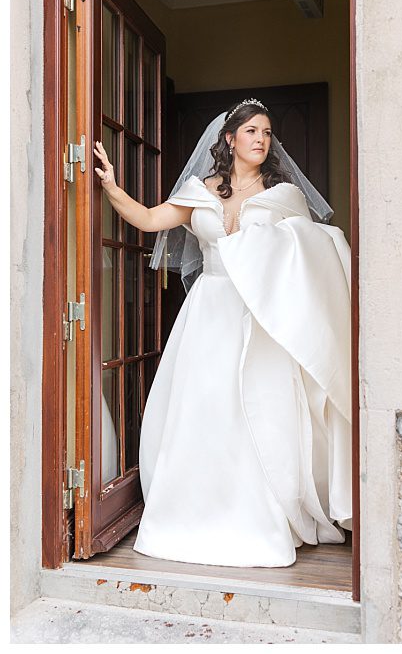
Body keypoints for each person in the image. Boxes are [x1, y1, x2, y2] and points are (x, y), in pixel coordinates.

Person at [93, 98, 352, 567]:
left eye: (268, 133)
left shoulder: (284, 195)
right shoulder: (200, 191)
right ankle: (192, 513)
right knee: (203, 409)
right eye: (252, 131)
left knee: (261, 411)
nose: (261, 139)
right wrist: (110, 184)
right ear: (230, 139)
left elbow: (312, 254)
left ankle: (260, 515)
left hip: (259, 316)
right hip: (209, 311)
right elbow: (151, 220)